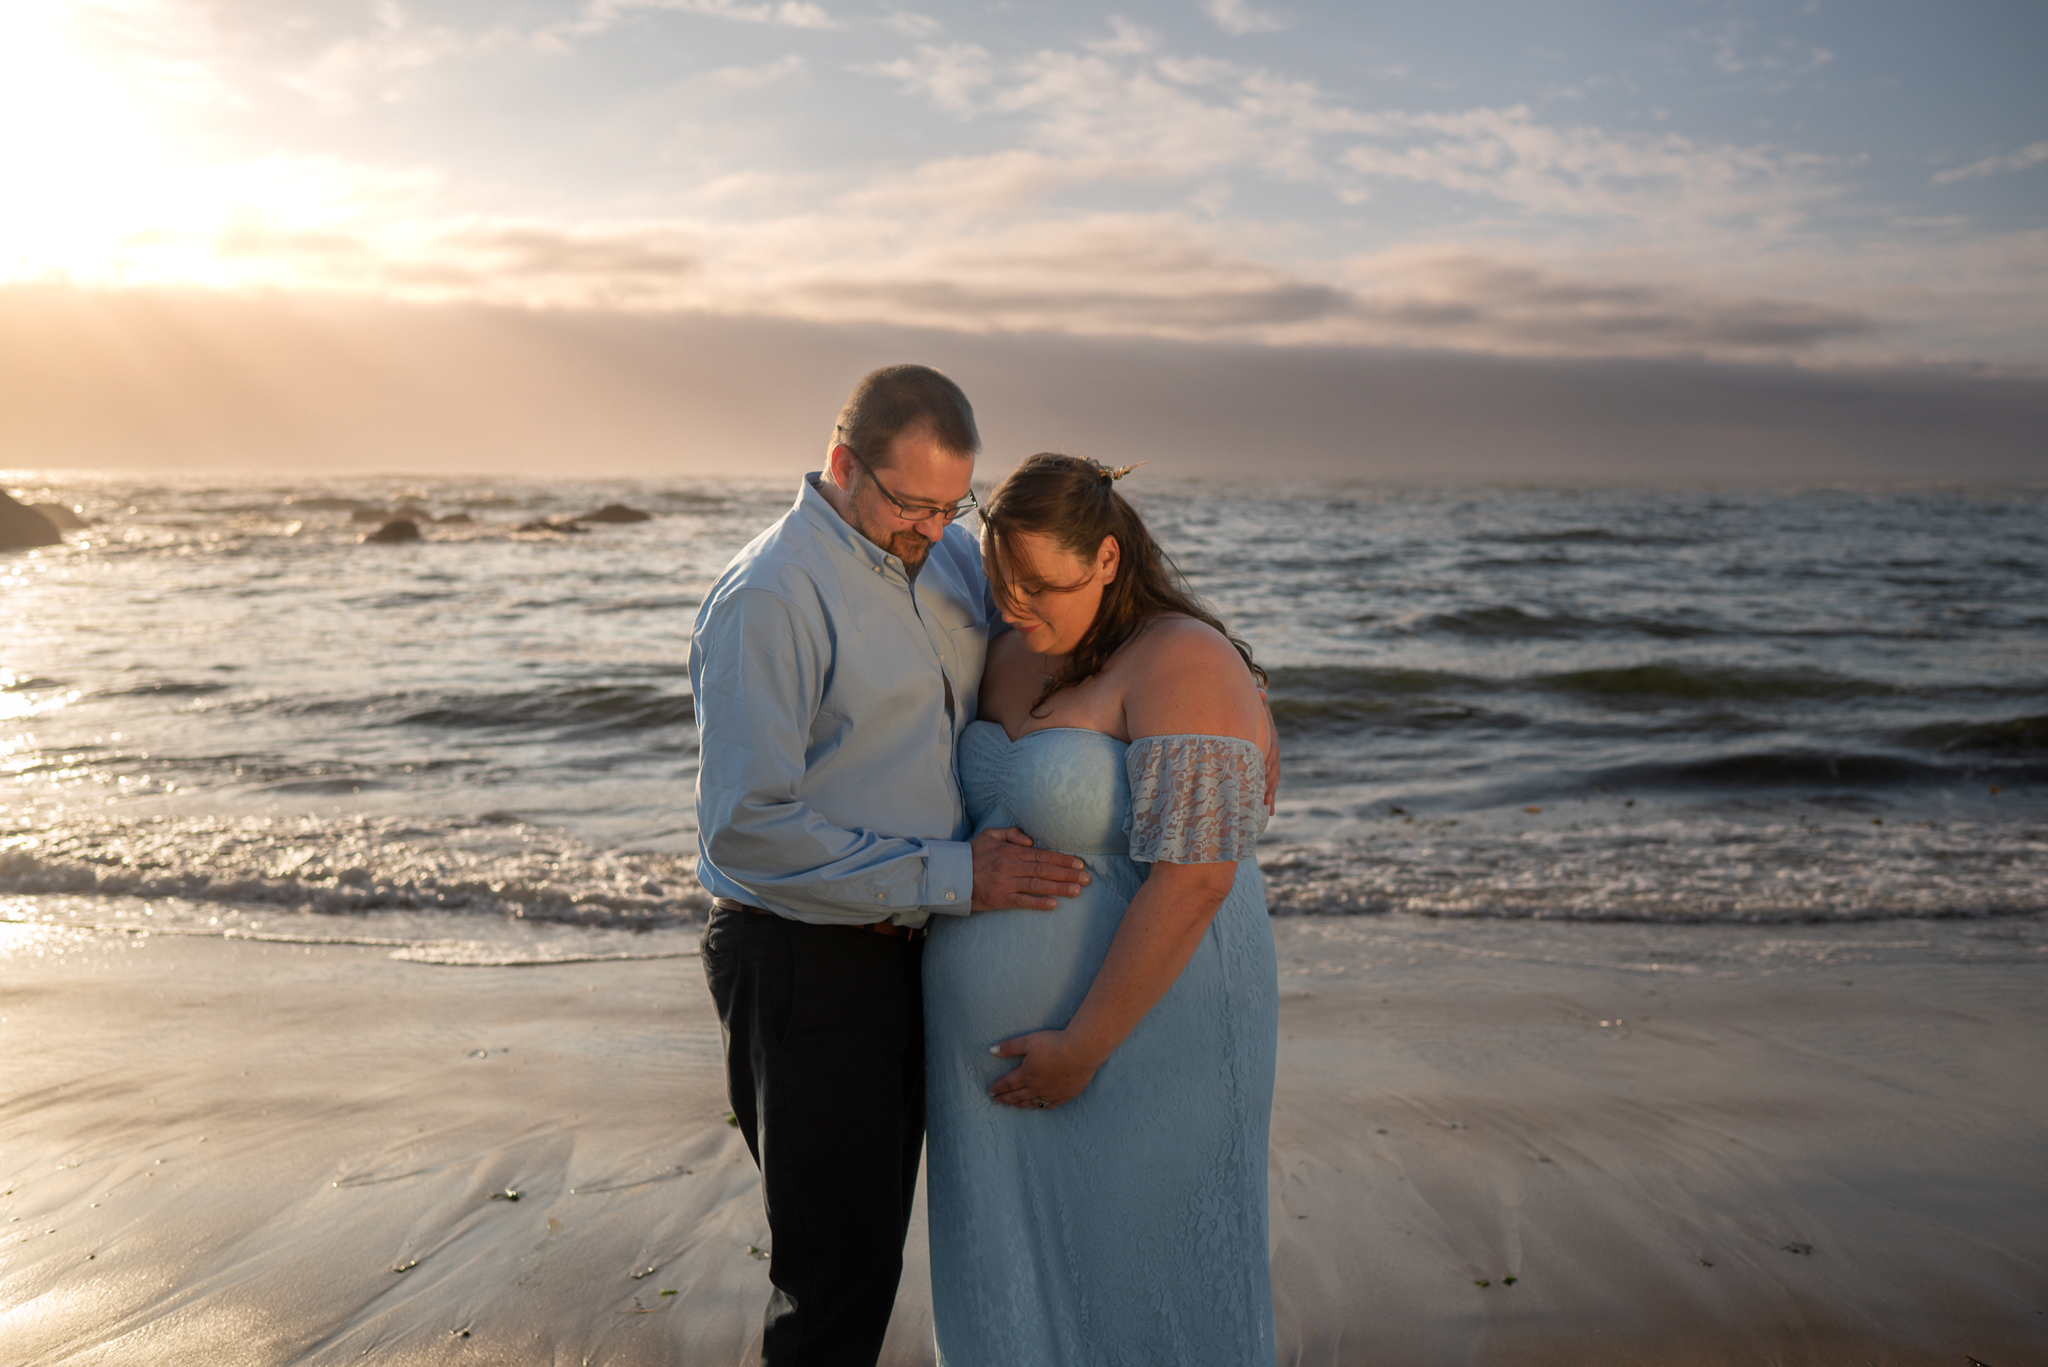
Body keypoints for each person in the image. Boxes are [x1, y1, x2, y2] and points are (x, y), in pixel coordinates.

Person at [690, 366, 1093, 1367]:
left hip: (916, 952)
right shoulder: (771, 596)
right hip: (803, 965)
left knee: (906, 1252)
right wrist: (958, 875)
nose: (928, 526)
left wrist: (1205, 683)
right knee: (835, 1280)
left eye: (947, 503)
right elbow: (746, 831)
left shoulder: (952, 558)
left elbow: (1057, 638)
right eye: (907, 502)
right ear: (840, 464)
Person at [922, 453, 1281, 1366]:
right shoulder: (1008, 647)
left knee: (1151, 1280)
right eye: (1004, 582)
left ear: (1110, 559)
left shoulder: (1181, 658)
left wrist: (1083, 1045)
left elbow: (1199, 877)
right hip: (993, 1074)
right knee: (1011, 1294)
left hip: (1149, 1036)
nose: (1017, 605)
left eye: (1043, 584)